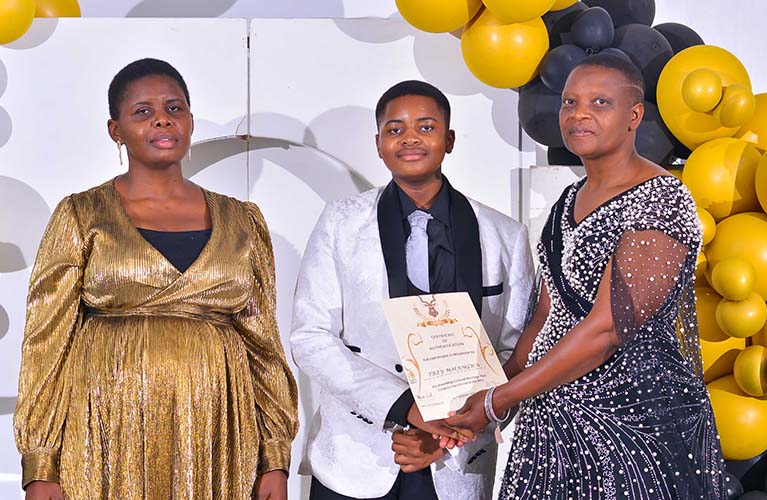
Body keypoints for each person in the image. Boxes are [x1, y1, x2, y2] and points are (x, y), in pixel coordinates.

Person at [14, 58, 298, 500]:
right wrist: (40, 464)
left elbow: (263, 344)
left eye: (174, 108)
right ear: (116, 130)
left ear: (190, 122)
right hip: (105, 433)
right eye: (142, 111)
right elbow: (46, 343)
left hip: (216, 431)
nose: (162, 119)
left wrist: (274, 456)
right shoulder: (81, 214)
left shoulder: (241, 220)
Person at [445, 54, 727, 499]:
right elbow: (546, 313)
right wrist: (497, 384)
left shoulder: (661, 199)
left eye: (600, 102)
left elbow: (606, 330)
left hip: (634, 424)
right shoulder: (568, 199)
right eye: (569, 102)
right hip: (554, 422)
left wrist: (498, 400)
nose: (579, 114)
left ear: (634, 115)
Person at [290, 80, 534, 500]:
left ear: (449, 140)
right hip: (355, 459)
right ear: (379, 144)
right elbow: (310, 337)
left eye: (425, 127)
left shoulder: (505, 235)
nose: (410, 139)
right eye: (395, 129)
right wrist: (404, 407)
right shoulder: (340, 222)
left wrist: (453, 431)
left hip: (456, 464)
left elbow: (515, 355)